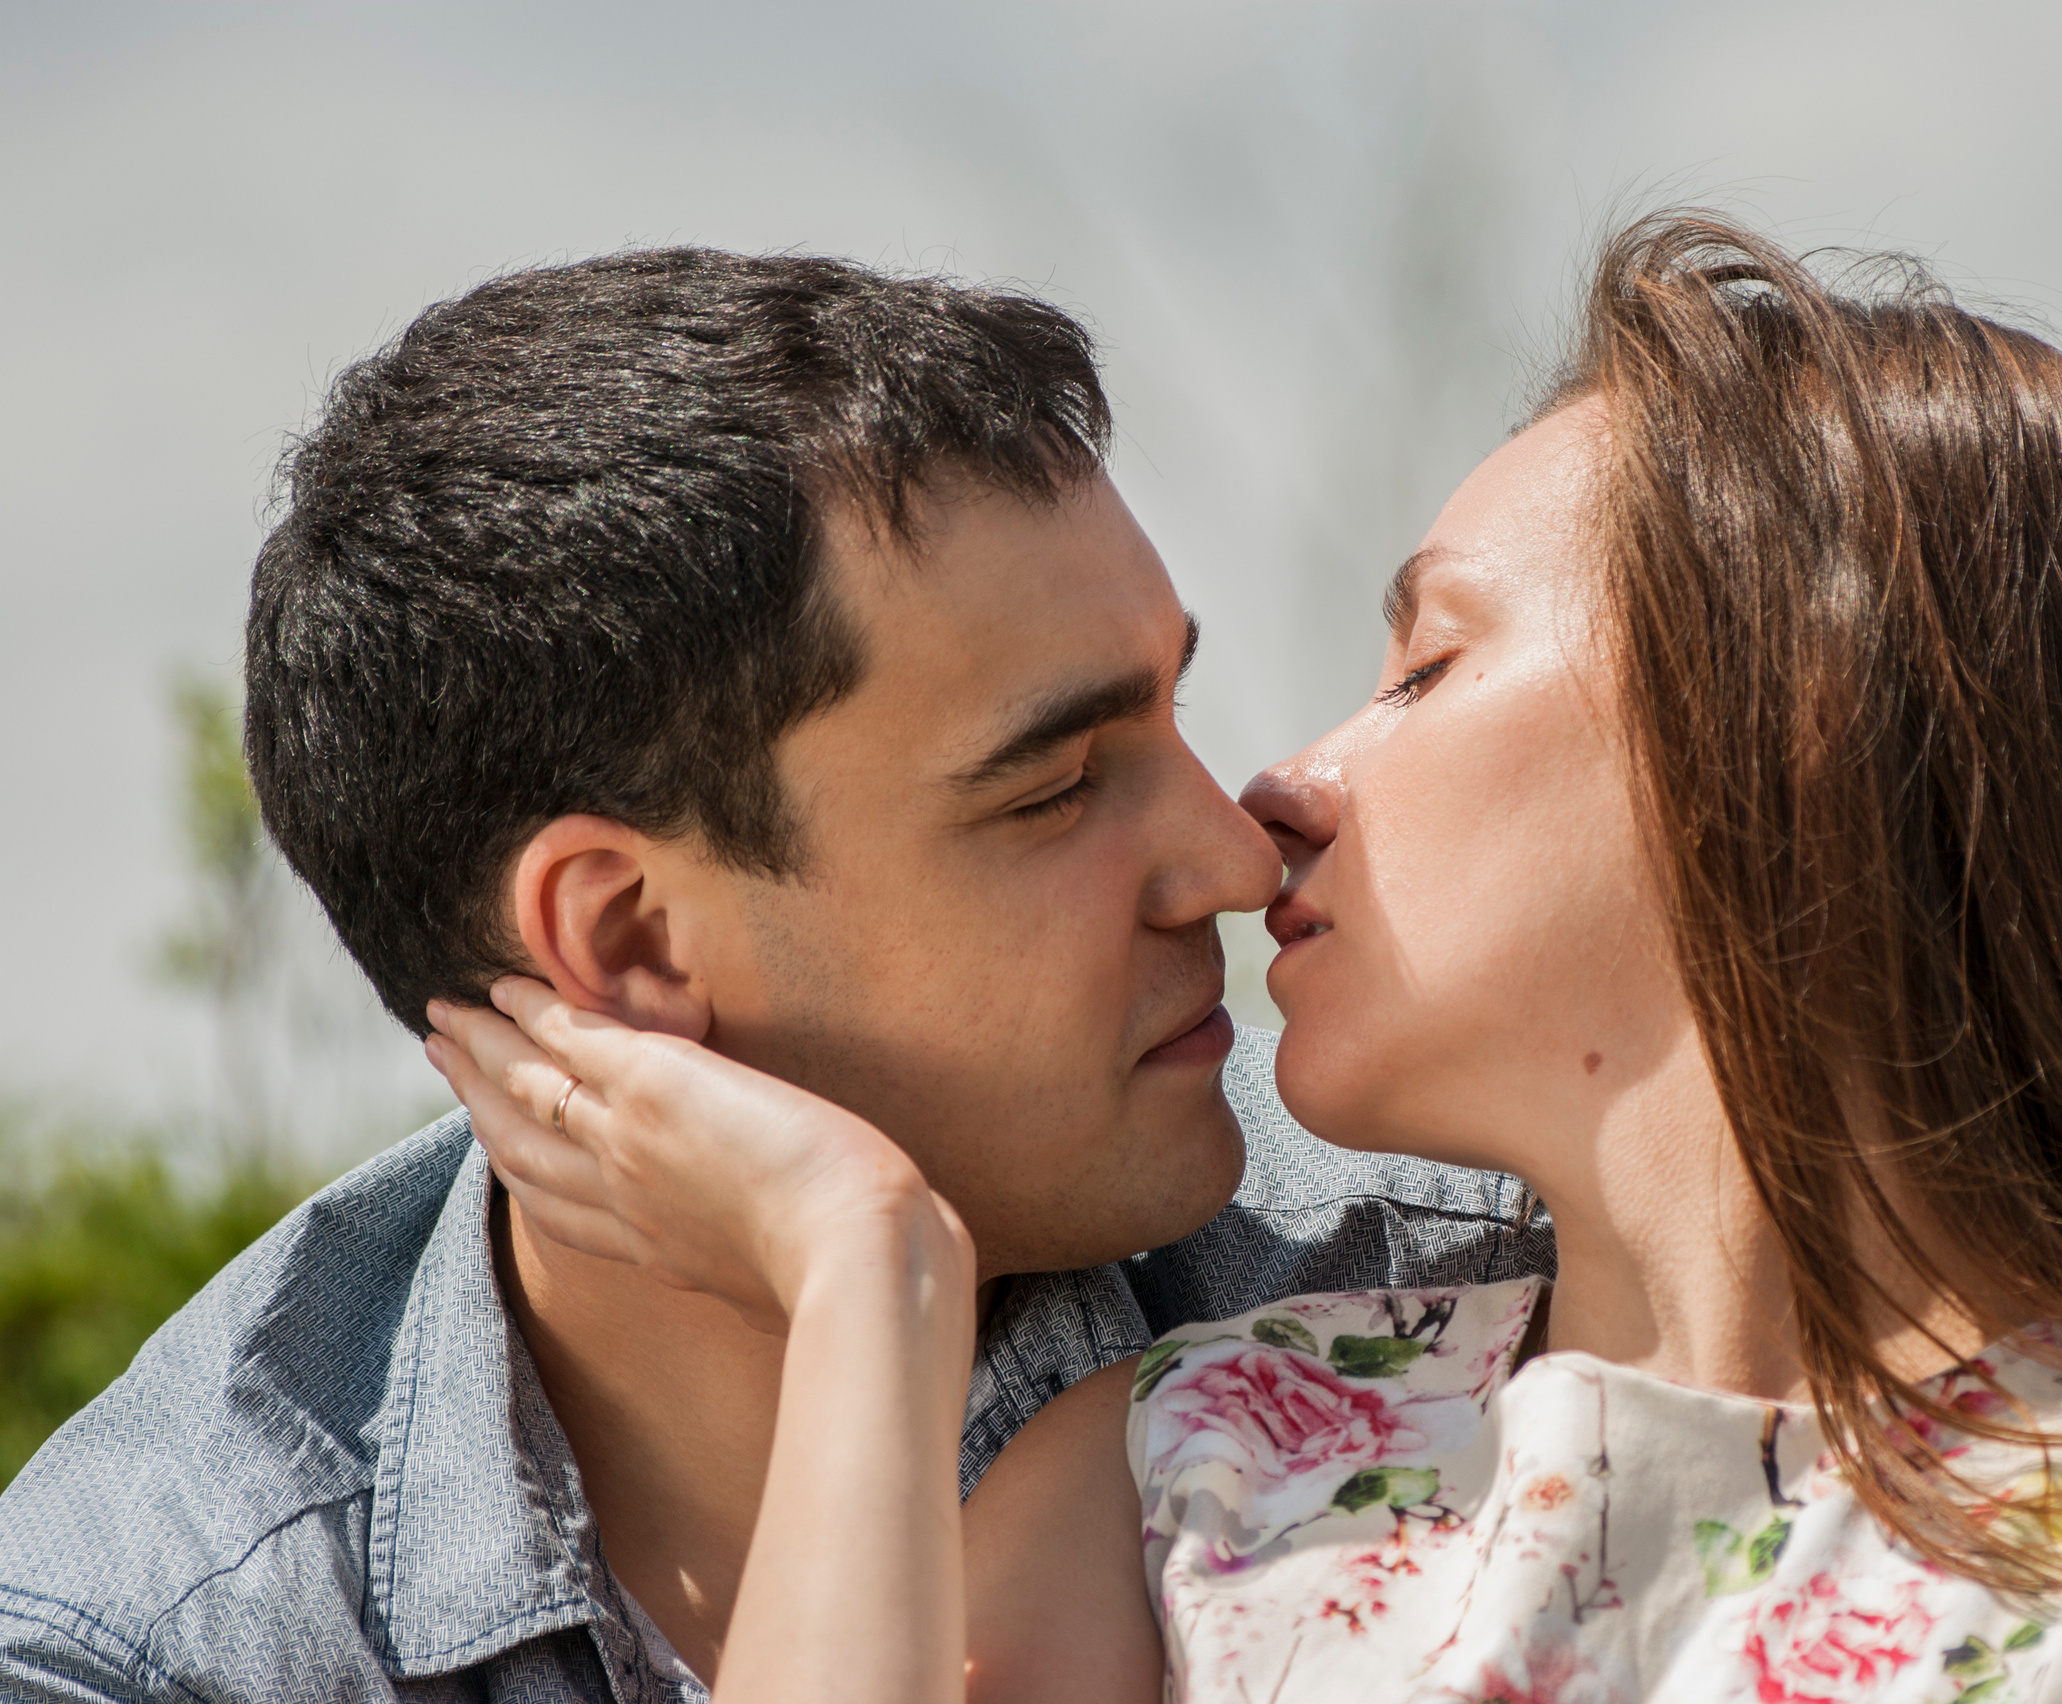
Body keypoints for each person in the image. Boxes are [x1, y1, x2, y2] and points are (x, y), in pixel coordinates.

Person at [429, 213, 2062, 1703]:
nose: (1273, 797)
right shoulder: (1177, 1476)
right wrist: (867, 1273)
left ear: (1783, 729)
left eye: (1427, 663)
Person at [0, 253, 1550, 1700]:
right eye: (1057, 787)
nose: (1234, 859)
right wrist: (866, 1270)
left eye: (1171, 714)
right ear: (626, 943)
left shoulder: (1465, 1279)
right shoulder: (156, 1649)